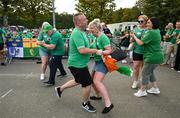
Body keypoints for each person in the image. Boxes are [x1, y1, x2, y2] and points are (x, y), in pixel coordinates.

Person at [54, 13, 97, 113]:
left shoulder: (82, 32)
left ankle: (60, 89)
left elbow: (86, 46)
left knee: (78, 80)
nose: (87, 21)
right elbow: (81, 50)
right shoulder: (77, 33)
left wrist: (93, 45)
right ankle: (85, 103)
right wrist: (96, 51)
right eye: (85, 19)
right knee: (87, 83)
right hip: (77, 65)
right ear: (79, 22)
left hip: (79, 63)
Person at [130, 17, 164, 97]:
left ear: (153, 24)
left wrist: (134, 36)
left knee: (145, 73)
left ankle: (142, 90)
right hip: (157, 56)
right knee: (150, 72)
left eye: (148, 23)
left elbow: (141, 43)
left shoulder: (151, 32)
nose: (146, 24)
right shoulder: (156, 31)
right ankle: (155, 88)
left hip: (152, 56)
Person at [88, 18, 114, 114]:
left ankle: (108, 104)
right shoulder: (95, 37)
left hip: (103, 62)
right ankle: (98, 96)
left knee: (96, 81)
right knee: (92, 80)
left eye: (91, 28)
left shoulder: (103, 37)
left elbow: (109, 50)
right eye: (90, 28)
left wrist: (102, 52)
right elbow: (91, 47)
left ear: (97, 28)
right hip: (97, 62)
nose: (90, 30)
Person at [130, 15, 148, 89]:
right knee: (136, 67)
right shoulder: (135, 29)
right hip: (137, 51)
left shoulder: (148, 29)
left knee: (144, 68)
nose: (140, 23)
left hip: (146, 51)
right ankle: (135, 81)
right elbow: (131, 41)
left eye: (142, 21)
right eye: (139, 21)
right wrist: (132, 37)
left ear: (146, 21)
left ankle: (143, 81)